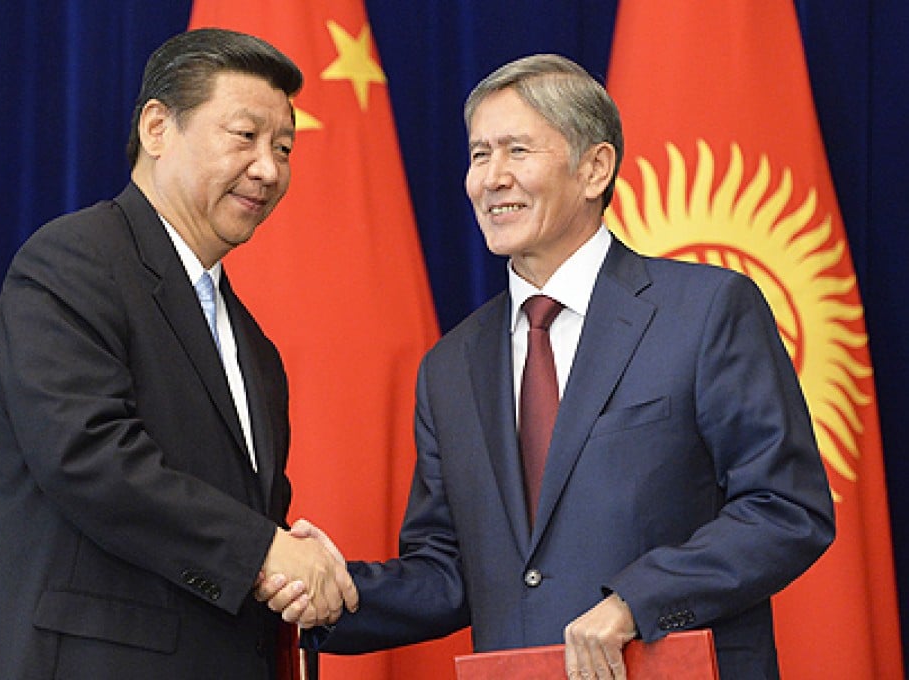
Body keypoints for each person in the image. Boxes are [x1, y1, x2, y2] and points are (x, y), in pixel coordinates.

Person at [259, 54, 835, 680]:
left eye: (517, 151)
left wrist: (635, 602)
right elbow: (450, 570)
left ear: (594, 168)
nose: (491, 178)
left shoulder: (706, 310)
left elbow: (786, 509)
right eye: (479, 154)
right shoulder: (450, 366)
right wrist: (327, 593)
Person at [0, 28, 356, 680]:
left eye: (284, 147)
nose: (269, 169)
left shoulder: (254, 346)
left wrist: (295, 566)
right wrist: (263, 554)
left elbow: (246, 527)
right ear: (157, 127)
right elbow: (87, 456)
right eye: (244, 136)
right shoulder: (73, 262)